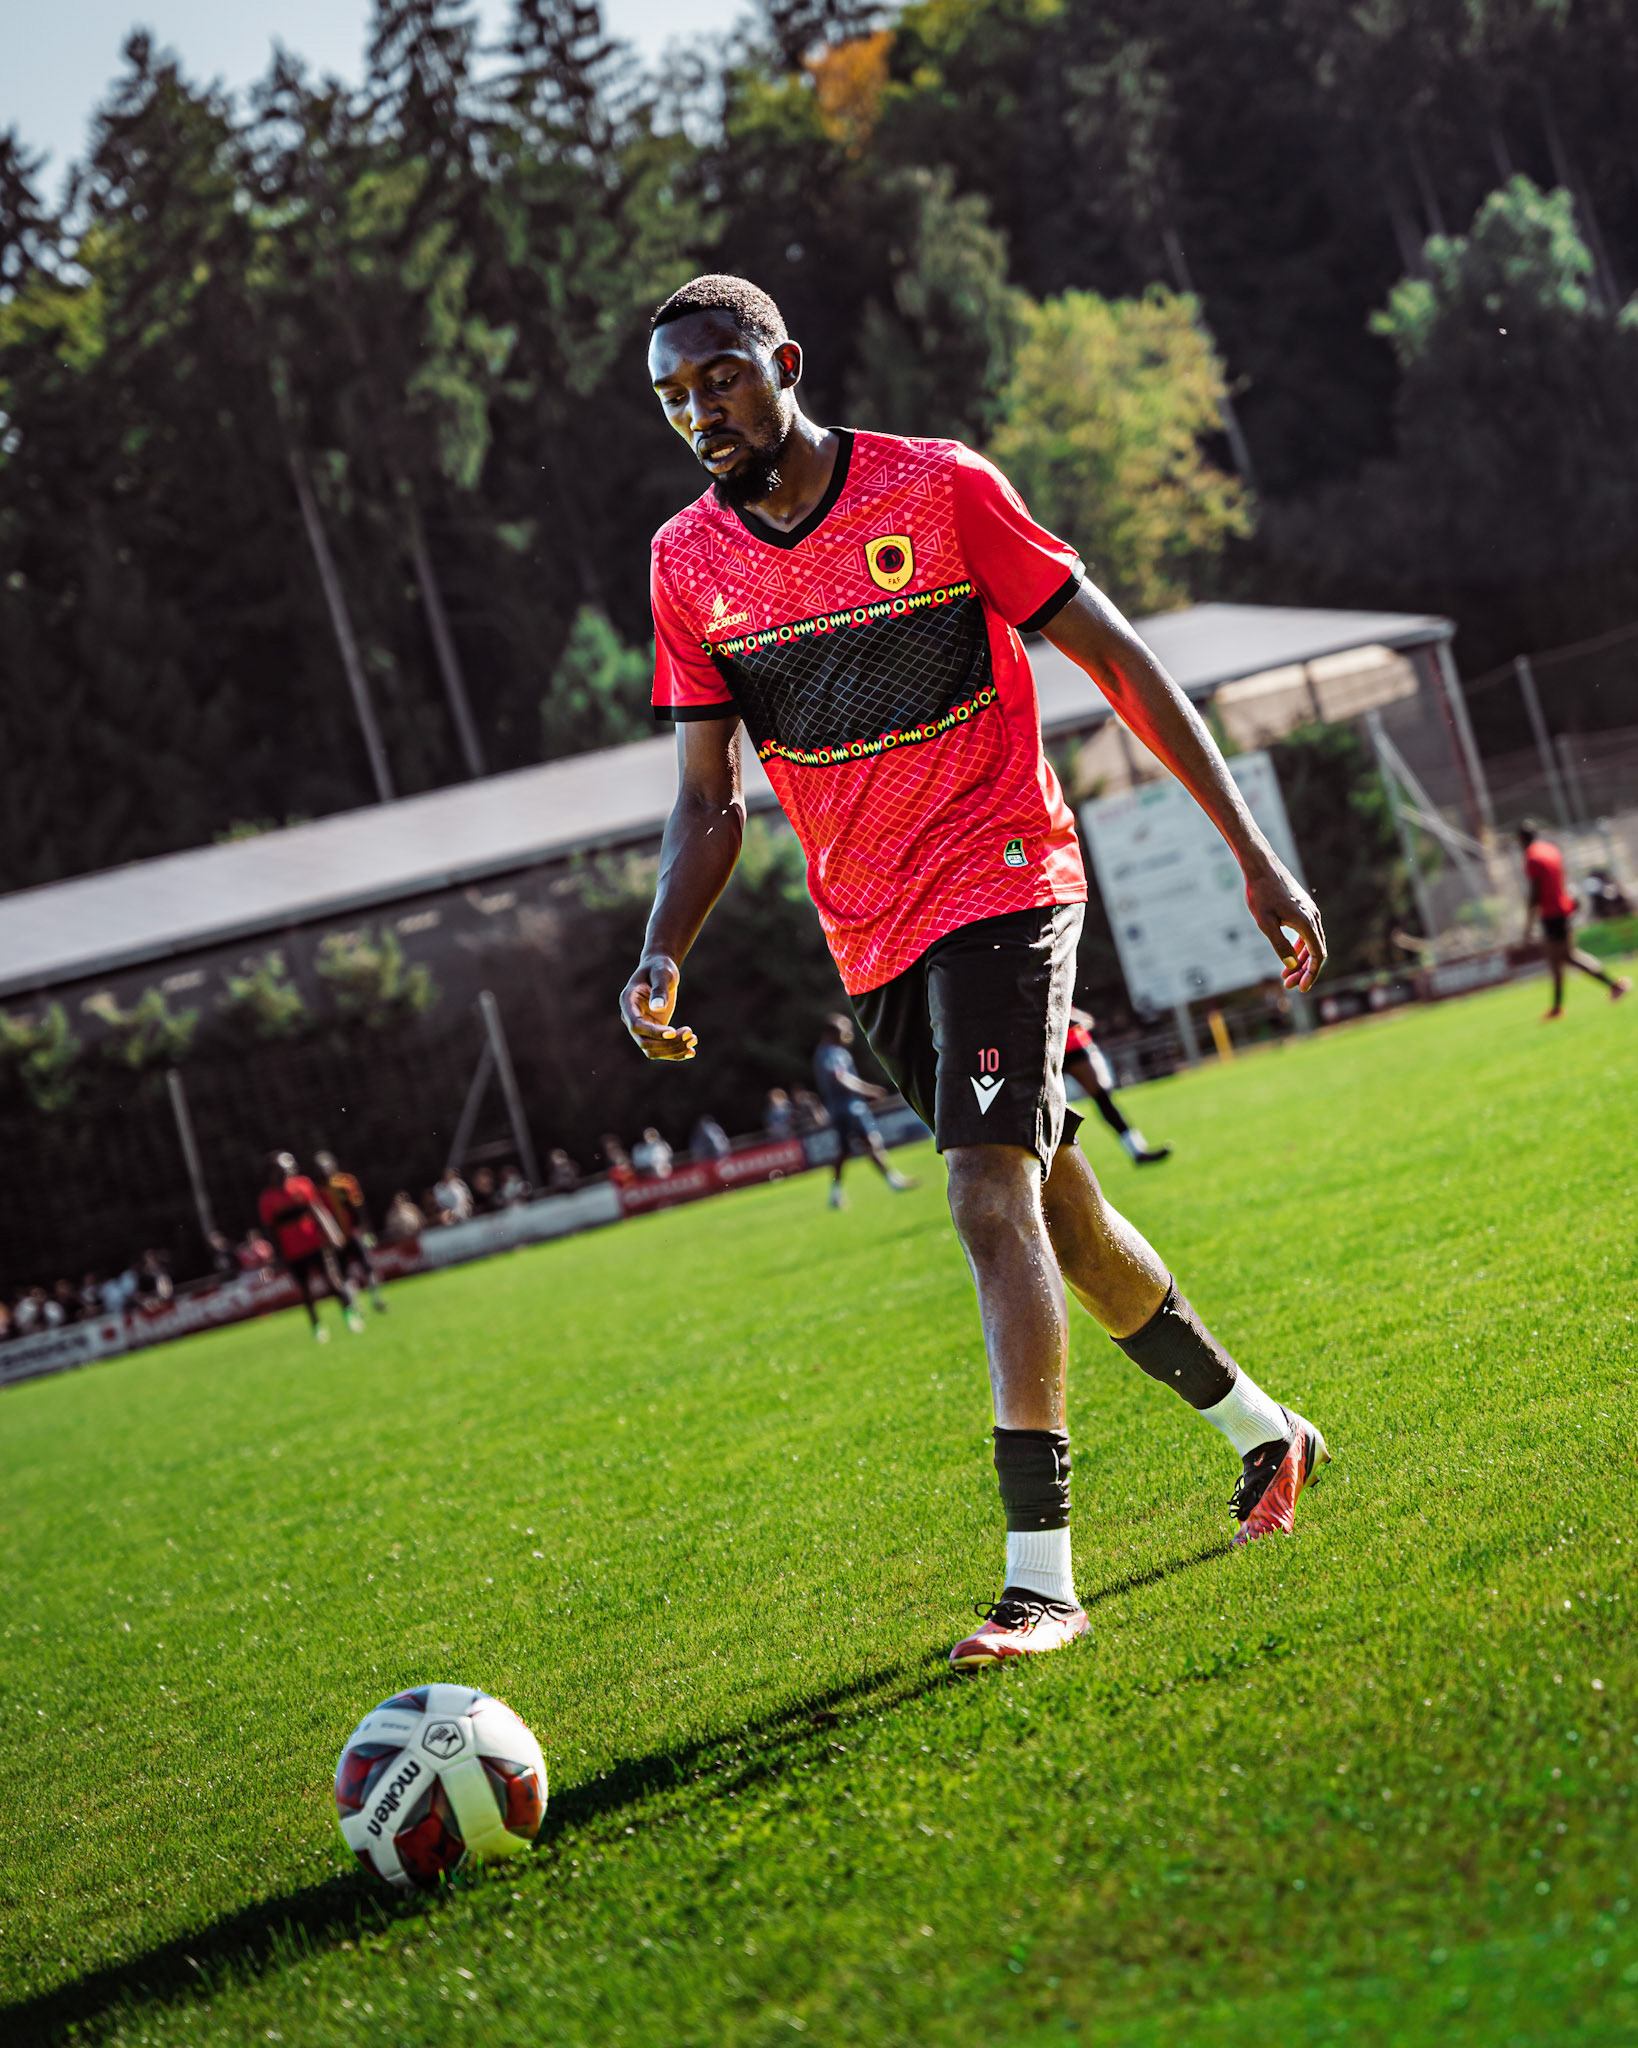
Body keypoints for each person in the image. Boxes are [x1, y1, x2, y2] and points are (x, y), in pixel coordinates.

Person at [622, 275, 1331, 1668]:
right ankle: (1266, 1433)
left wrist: (1251, 854)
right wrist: (658, 948)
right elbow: (712, 798)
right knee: (1058, 1222)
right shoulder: (684, 565)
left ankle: (1039, 1580)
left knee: (980, 1193)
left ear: (785, 363)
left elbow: (1118, 663)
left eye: (718, 379)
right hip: (870, 934)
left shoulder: (938, 489)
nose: (698, 414)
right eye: (673, 398)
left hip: (1005, 876)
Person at [1518, 819, 1630, 1018]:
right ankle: (1559, 1006)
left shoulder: (1532, 857)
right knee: (1562, 958)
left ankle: (1611, 986)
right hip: (1563, 907)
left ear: (1521, 840)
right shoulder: (1550, 850)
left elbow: (1535, 893)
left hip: (1552, 914)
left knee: (1563, 958)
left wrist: (1528, 924)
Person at [256, 1150, 363, 1341]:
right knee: (305, 1292)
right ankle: (317, 1326)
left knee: (333, 1281)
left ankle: (350, 1313)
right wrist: (276, 1256)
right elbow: (270, 1229)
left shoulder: (302, 1185)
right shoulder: (267, 1198)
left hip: (315, 1244)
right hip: (293, 1252)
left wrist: (333, 1233)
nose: (290, 1170)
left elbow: (318, 1210)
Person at [812, 1014, 917, 1207]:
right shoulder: (830, 1053)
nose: (848, 1034)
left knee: (851, 1150)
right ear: (833, 1033)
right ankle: (891, 1181)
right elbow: (839, 1078)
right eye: (844, 1031)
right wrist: (868, 1090)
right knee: (868, 1144)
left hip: (844, 1109)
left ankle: (837, 1193)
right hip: (849, 1109)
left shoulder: (829, 1052)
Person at [1064, 1008, 1169, 1164]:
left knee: (1102, 1097)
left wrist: (1074, 1017)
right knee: (1045, 1109)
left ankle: (1137, 1149)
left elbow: (1071, 1011)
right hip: (1047, 1049)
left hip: (1073, 1046)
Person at [313, 1148, 387, 1314]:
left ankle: (377, 1299)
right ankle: (356, 1306)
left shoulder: (346, 1182)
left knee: (367, 1266)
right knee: (344, 1274)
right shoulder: (317, 1192)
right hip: (335, 1239)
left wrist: (365, 1231)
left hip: (353, 1233)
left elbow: (358, 1207)